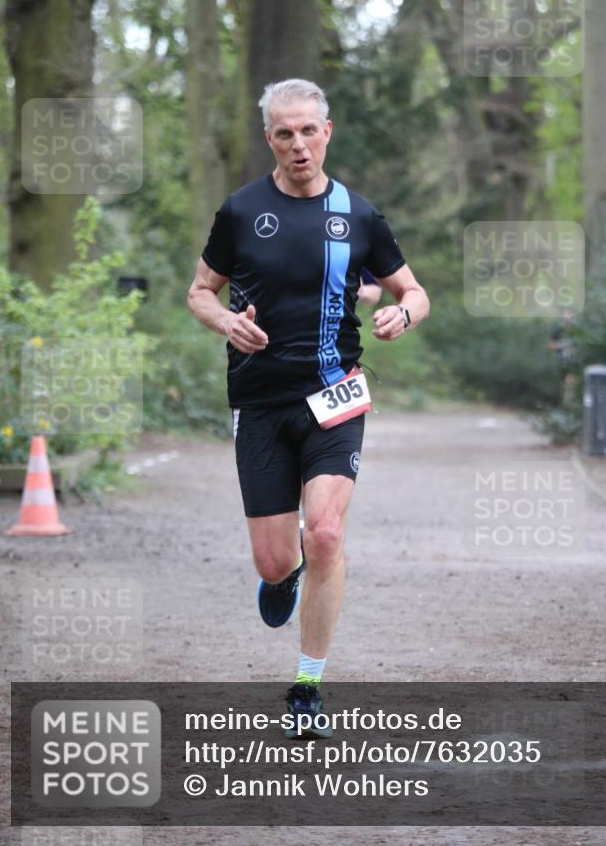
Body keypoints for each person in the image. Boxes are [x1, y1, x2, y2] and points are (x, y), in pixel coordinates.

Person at [187, 79, 429, 736]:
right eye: (283, 133)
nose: (297, 143)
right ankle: (278, 576)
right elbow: (200, 292)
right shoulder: (240, 211)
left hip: (336, 395)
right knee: (275, 559)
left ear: (326, 132)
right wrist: (224, 323)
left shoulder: (358, 214)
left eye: (308, 130)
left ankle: (307, 686)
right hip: (260, 402)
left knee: (324, 533)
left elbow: (411, 288)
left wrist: (402, 312)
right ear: (270, 138)